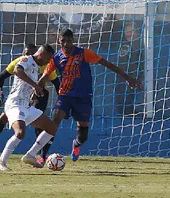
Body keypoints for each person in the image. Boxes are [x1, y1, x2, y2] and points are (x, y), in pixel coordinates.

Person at [25, 29, 142, 165]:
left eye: (69, 41)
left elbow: (107, 64)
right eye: (63, 41)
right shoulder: (56, 57)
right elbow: (44, 76)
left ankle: (76, 144)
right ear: (59, 41)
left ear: (73, 41)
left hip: (83, 98)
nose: (66, 44)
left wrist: (127, 78)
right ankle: (41, 156)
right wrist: (36, 88)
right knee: (53, 123)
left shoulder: (83, 53)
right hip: (65, 96)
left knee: (83, 135)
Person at [0, 44, 60, 163]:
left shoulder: (37, 66)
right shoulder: (26, 59)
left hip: (26, 105)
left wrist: (34, 91)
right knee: (20, 132)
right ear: (41, 54)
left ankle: (31, 155)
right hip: (14, 104)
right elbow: (17, 70)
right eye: (47, 59)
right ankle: (1, 162)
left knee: (51, 128)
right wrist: (35, 85)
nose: (47, 62)